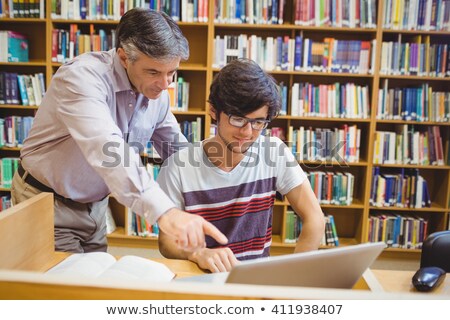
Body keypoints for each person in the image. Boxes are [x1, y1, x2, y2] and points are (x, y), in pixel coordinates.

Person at [11, 8, 227, 253]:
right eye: (154, 72)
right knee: (67, 289)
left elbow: (176, 151)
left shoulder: (157, 94)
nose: (165, 83)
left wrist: (226, 180)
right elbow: (107, 148)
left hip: (96, 208)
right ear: (124, 58)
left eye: (172, 72)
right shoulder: (81, 78)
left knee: (94, 283)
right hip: (47, 202)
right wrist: (165, 212)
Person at [157, 58, 325, 273]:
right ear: (213, 111)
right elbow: (166, 243)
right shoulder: (177, 167)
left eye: (258, 122)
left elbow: (314, 218)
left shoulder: (274, 152)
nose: (247, 133)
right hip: (201, 282)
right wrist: (197, 253)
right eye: (237, 119)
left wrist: (296, 277)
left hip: (255, 284)